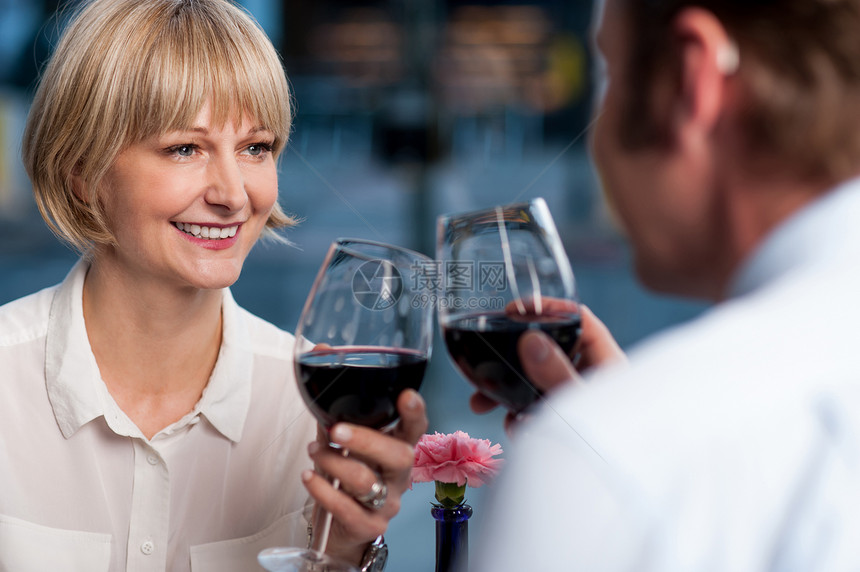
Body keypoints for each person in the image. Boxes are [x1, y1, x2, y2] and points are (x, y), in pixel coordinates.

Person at [0, 0, 426, 570]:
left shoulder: (313, 413)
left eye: (256, 147)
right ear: (83, 173)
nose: (233, 193)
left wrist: (348, 553)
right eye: (185, 148)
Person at [474, 0, 860, 569]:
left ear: (690, 75)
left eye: (610, 69)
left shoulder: (597, 468)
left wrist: (613, 447)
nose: (600, 136)